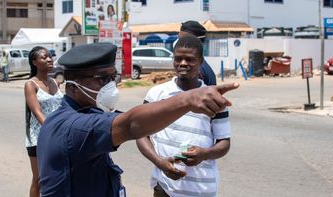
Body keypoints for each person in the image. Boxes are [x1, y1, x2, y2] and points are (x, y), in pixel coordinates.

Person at [37, 42, 238, 197]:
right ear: (72, 86)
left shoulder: (85, 113)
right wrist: (188, 99)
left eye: (113, 78)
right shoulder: (74, 127)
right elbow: (130, 124)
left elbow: (135, 120)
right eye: (101, 79)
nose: (110, 86)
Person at [137, 35, 231, 197]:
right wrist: (160, 163)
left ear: (201, 62)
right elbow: (141, 135)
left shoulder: (213, 98)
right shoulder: (156, 94)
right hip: (165, 188)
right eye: (178, 58)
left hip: (202, 190)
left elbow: (224, 143)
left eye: (190, 59)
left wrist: (205, 154)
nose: (183, 63)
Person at [24, 46, 63, 197]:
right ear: (34, 62)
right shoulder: (30, 85)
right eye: (44, 57)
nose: (49, 59)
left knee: (58, 175)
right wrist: (53, 131)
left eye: (50, 56)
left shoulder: (56, 82)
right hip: (38, 138)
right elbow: (37, 111)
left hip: (59, 135)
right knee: (39, 179)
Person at [173, 20, 217, 86]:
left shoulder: (195, 71)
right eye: (178, 38)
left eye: (183, 39)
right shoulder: (200, 65)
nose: (179, 42)